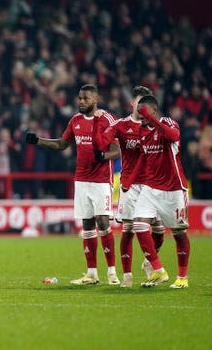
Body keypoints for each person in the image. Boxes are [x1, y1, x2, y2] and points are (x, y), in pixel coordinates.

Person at [26, 84, 121, 285]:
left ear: (95, 99)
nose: (81, 102)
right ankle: (91, 273)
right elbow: (62, 144)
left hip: (101, 180)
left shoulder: (107, 119)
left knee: (103, 223)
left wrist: (103, 156)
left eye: (85, 99)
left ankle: (112, 273)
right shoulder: (76, 120)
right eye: (80, 98)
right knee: (87, 225)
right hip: (81, 180)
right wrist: (38, 141)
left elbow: (118, 150)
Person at [92, 86, 165, 287]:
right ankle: (127, 276)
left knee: (159, 231)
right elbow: (102, 143)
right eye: (139, 102)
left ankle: (149, 261)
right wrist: (98, 125)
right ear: (133, 103)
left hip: (152, 184)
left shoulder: (155, 126)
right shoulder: (121, 125)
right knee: (128, 230)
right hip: (130, 186)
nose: (142, 107)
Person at [128, 95, 191, 288]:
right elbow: (143, 158)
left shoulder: (167, 122)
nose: (140, 115)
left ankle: (182, 277)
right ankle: (158, 270)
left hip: (173, 188)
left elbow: (173, 137)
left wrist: (153, 119)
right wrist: (129, 181)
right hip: (150, 187)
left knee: (179, 234)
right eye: (139, 112)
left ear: (154, 111)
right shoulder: (141, 131)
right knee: (138, 224)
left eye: (144, 111)